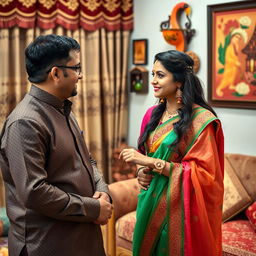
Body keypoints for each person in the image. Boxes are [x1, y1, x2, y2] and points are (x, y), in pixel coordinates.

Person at [0, 34, 113, 256]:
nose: (80, 75)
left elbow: (86, 159)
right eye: (76, 68)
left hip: (80, 239)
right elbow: (34, 192)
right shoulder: (25, 122)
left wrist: (102, 190)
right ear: (56, 73)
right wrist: (92, 209)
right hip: (47, 245)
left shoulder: (62, 108)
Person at [120, 50, 224, 256]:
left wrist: (149, 162)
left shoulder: (201, 121)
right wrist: (142, 171)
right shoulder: (152, 114)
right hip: (149, 202)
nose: (153, 81)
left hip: (180, 212)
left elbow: (205, 176)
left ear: (178, 81)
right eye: (153, 74)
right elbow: (146, 153)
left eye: (160, 75)